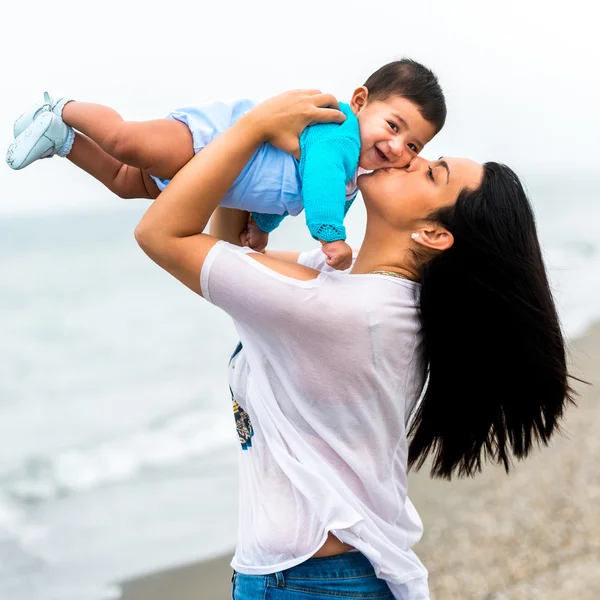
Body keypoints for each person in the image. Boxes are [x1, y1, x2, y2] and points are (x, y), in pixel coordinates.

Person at [129, 90, 575, 599]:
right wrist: (261, 168)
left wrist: (254, 128)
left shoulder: (346, 313)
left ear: (432, 232)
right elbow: (232, 253)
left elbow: (161, 234)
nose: (409, 157)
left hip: (305, 581)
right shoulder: (364, 291)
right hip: (322, 576)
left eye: (431, 172)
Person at [6, 60, 445, 269]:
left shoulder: (351, 179)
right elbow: (317, 186)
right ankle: (62, 108)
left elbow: (282, 192)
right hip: (210, 140)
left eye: (413, 145)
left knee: (126, 183)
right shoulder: (339, 131)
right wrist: (331, 238)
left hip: (213, 176)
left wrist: (262, 226)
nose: (396, 146)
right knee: (127, 142)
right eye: (393, 125)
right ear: (360, 101)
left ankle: (62, 142)